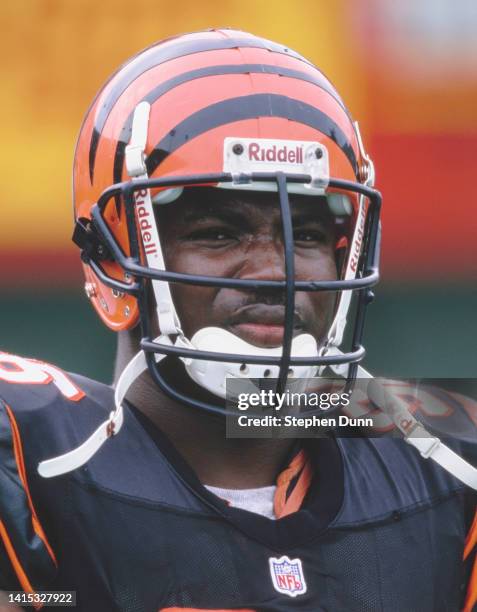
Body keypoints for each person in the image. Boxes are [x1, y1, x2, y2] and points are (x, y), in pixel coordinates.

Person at [0, 28, 475, 612]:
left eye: (305, 235)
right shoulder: (30, 459)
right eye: (217, 233)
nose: (275, 272)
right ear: (112, 259)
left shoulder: (445, 460)